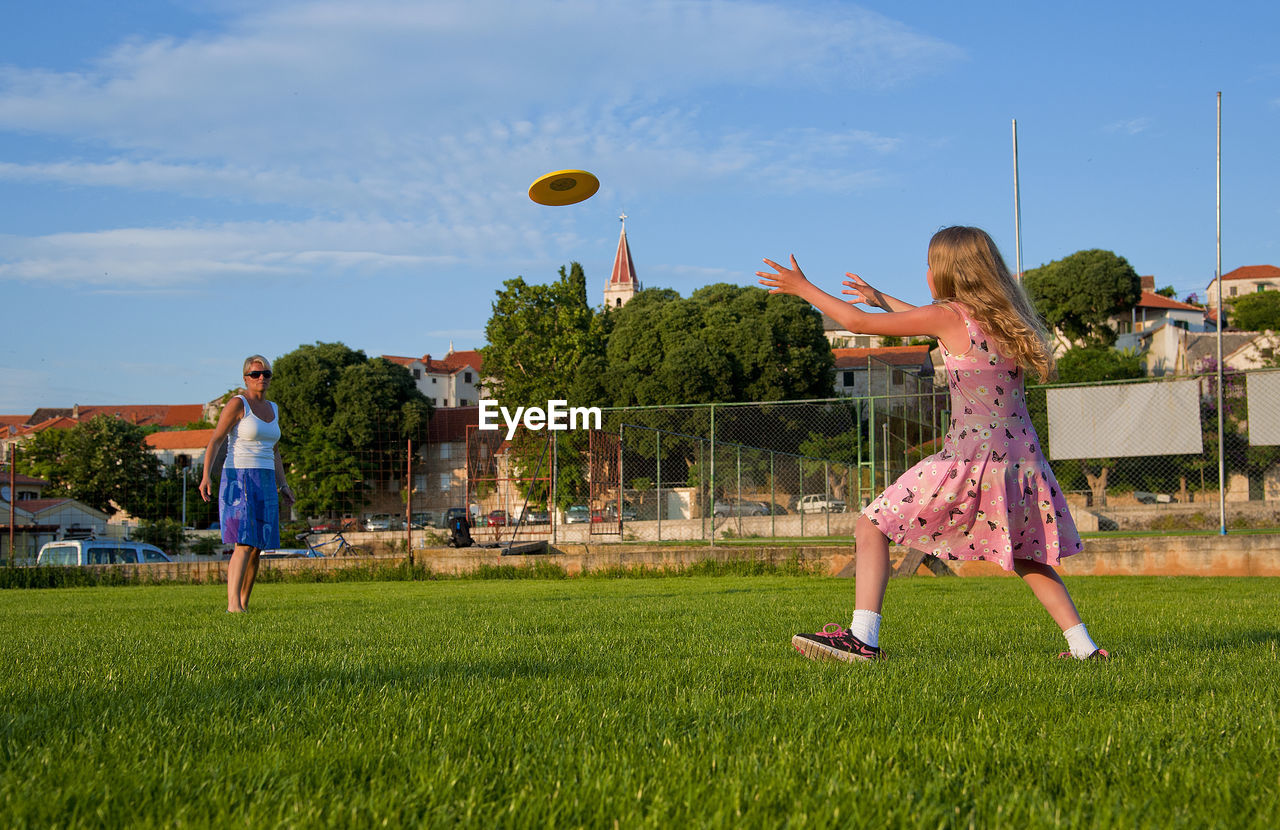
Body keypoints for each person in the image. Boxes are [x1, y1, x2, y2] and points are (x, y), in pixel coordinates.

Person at [757, 226, 1108, 662]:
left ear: (944, 274)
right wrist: (881, 297)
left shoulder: (950, 316)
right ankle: (1084, 647)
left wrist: (803, 287)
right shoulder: (1005, 320)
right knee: (1024, 554)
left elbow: (859, 325)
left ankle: (862, 637)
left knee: (871, 524)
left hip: (969, 458)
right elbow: (930, 322)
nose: (925, 272)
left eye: (929, 265)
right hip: (1020, 461)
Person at [199, 355, 294, 613]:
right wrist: (207, 475)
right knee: (243, 540)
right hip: (238, 476)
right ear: (245, 378)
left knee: (257, 546)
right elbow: (216, 440)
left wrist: (283, 484)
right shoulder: (238, 403)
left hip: (265, 478)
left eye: (266, 374)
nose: (261, 378)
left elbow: (274, 451)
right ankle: (233, 606)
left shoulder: (273, 408)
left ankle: (244, 603)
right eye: (255, 374)